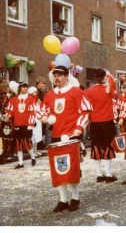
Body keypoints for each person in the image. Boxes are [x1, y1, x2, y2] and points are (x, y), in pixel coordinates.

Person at [37, 65, 92, 213]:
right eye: (55, 75)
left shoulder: (76, 92)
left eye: (60, 75)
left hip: (72, 136)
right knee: (59, 168)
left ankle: (75, 197)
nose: (57, 78)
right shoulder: (50, 94)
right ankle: (63, 200)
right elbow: (42, 109)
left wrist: (79, 128)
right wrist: (43, 117)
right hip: (56, 136)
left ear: (67, 76)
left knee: (72, 167)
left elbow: (86, 111)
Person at [84, 69, 118, 183]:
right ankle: (108, 173)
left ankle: (99, 174)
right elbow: (114, 91)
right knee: (108, 146)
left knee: (96, 146)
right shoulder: (109, 90)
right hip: (107, 121)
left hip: (94, 122)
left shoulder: (88, 91)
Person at [4, 82, 36, 169]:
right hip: (17, 125)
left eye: (26, 87)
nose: (25, 88)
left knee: (27, 143)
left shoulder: (31, 99)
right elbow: (10, 112)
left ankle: (32, 157)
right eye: (23, 87)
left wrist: (30, 124)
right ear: (19, 88)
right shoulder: (13, 100)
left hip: (26, 125)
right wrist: (5, 118)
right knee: (18, 145)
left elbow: (32, 112)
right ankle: (21, 163)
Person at [27, 86, 43, 158]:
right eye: (34, 92)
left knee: (37, 135)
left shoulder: (37, 100)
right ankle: (32, 151)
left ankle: (35, 150)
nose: (36, 93)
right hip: (33, 120)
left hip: (38, 119)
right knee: (33, 136)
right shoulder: (30, 100)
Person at [35, 77, 47, 150]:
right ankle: (39, 144)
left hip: (42, 111)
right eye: (41, 83)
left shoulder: (42, 92)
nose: (43, 85)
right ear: (38, 84)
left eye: (43, 83)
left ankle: (41, 143)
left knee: (43, 128)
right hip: (39, 112)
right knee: (40, 129)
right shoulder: (37, 92)